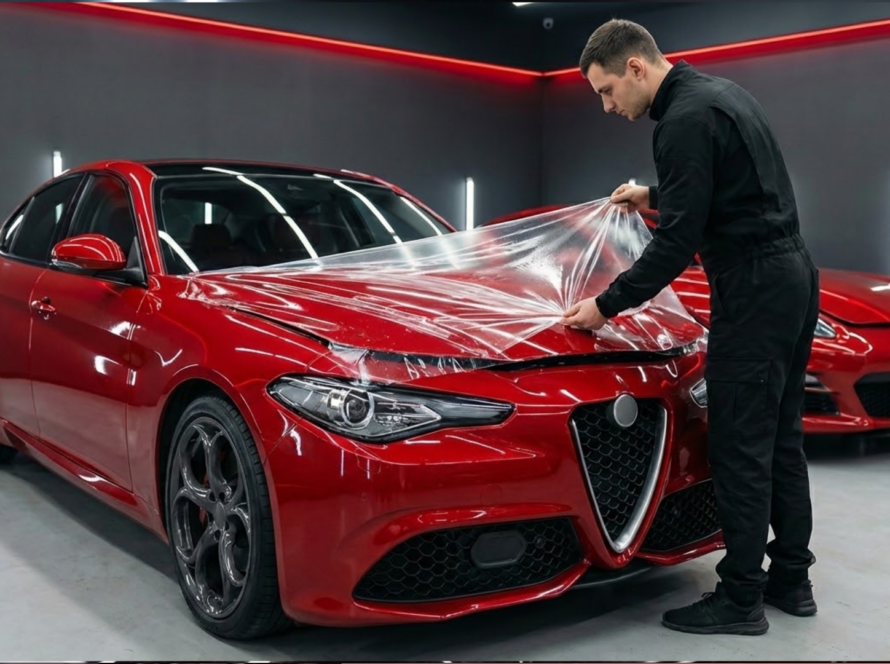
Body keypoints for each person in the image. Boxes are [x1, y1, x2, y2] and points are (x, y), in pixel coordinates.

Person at [560, 19, 819, 636]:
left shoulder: (680, 122)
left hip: (754, 289)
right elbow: (726, 195)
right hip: (792, 275)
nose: (607, 106)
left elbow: (678, 242)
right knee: (782, 439)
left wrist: (607, 304)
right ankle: (792, 581)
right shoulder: (723, 96)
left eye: (606, 91)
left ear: (634, 68)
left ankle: (739, 600)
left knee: (740, 447)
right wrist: (650, 194)